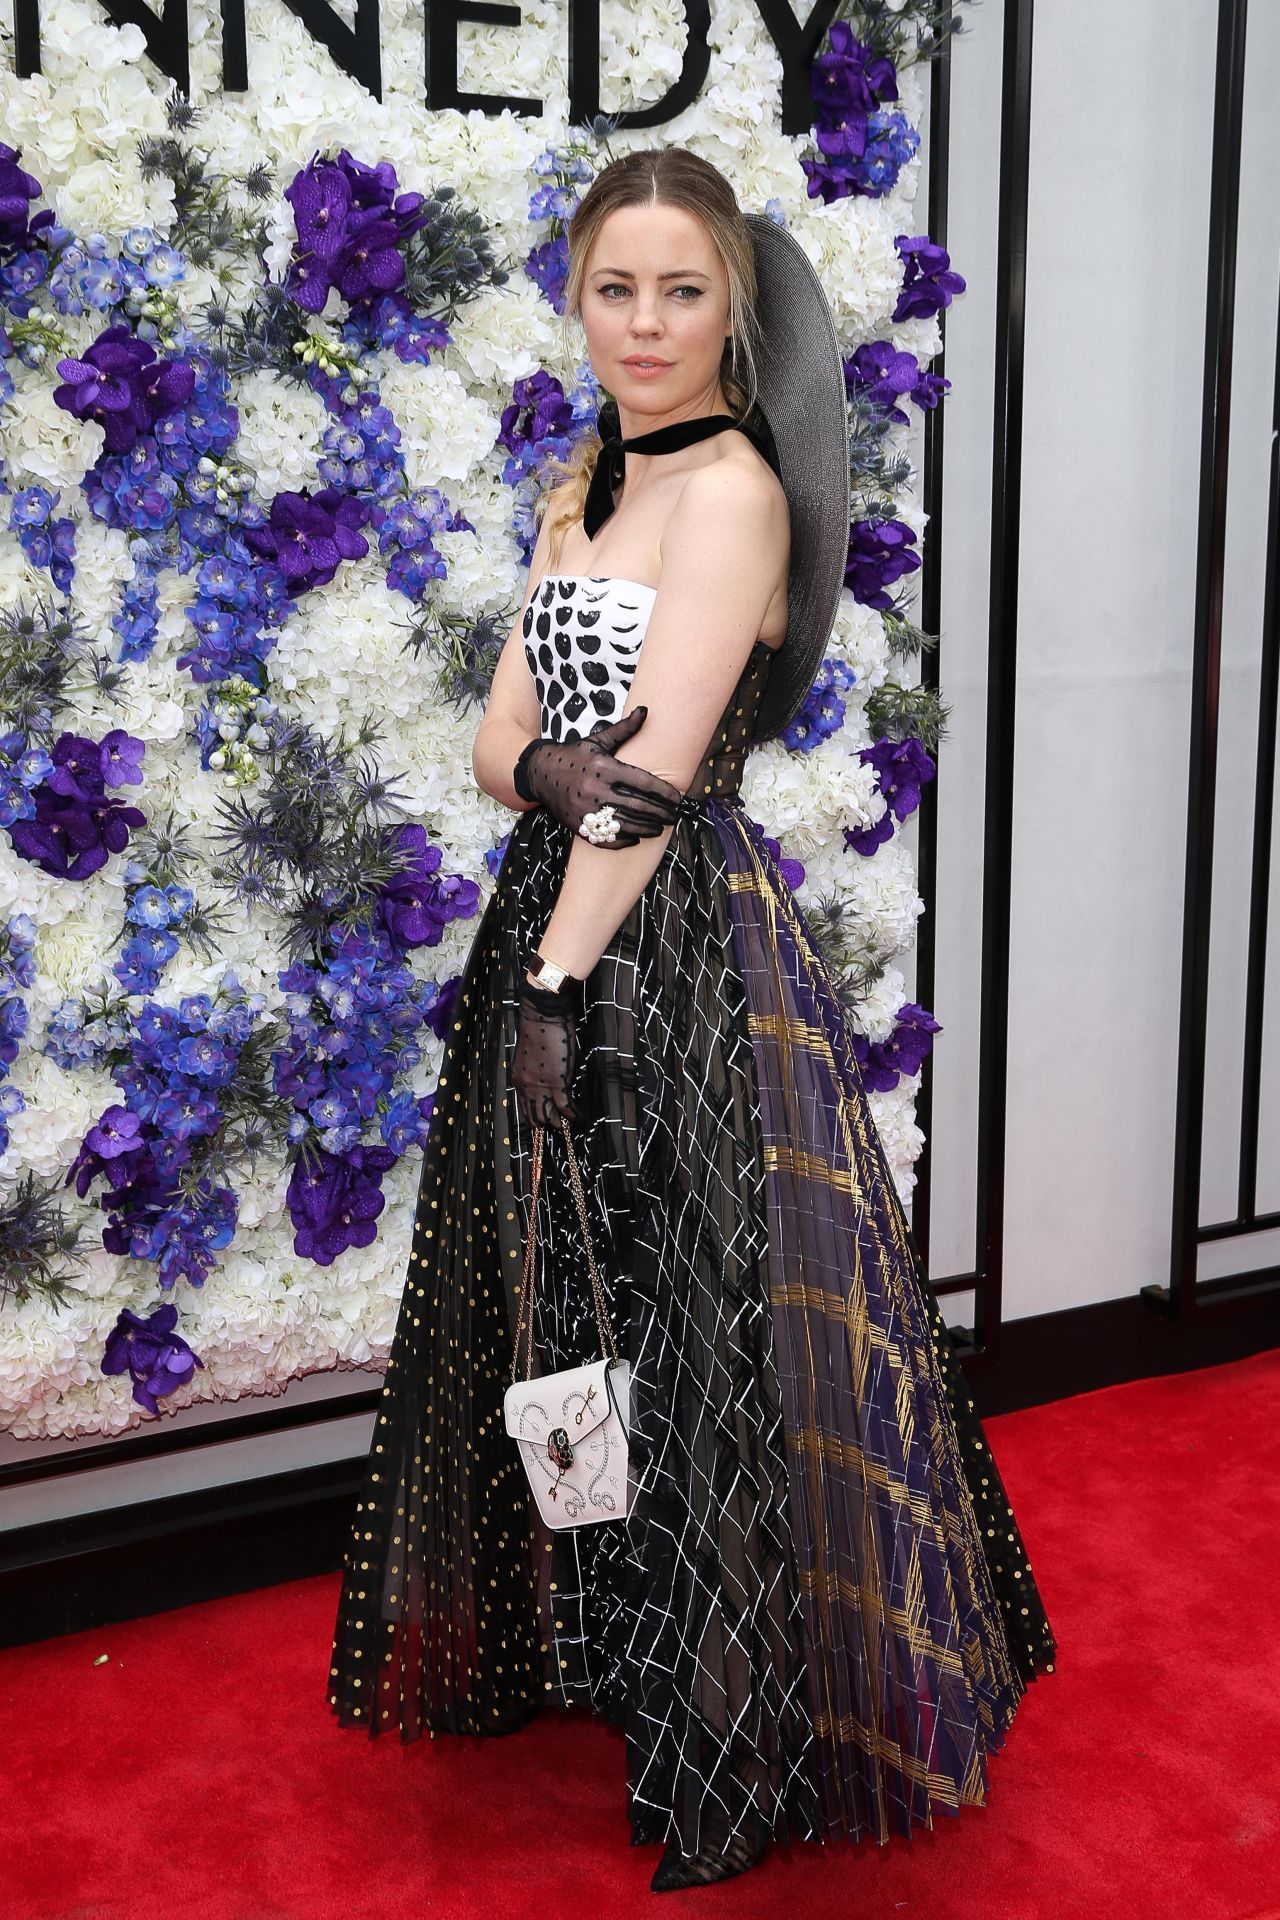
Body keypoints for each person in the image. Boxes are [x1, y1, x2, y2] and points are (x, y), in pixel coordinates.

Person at [327, 145, 1057, 1893]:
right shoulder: (579, 479)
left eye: (682, 290)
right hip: (554, 917)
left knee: (695, 1319)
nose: (644, 324)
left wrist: (557, 977)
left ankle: (727, 1728)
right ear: (576, 300)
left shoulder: (731, 493)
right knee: (568, 1301)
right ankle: (618, 1648)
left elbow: (651, 792)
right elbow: (497, 737)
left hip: (662, 949)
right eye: (614, 289)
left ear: (735, 307)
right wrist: (542, 776)